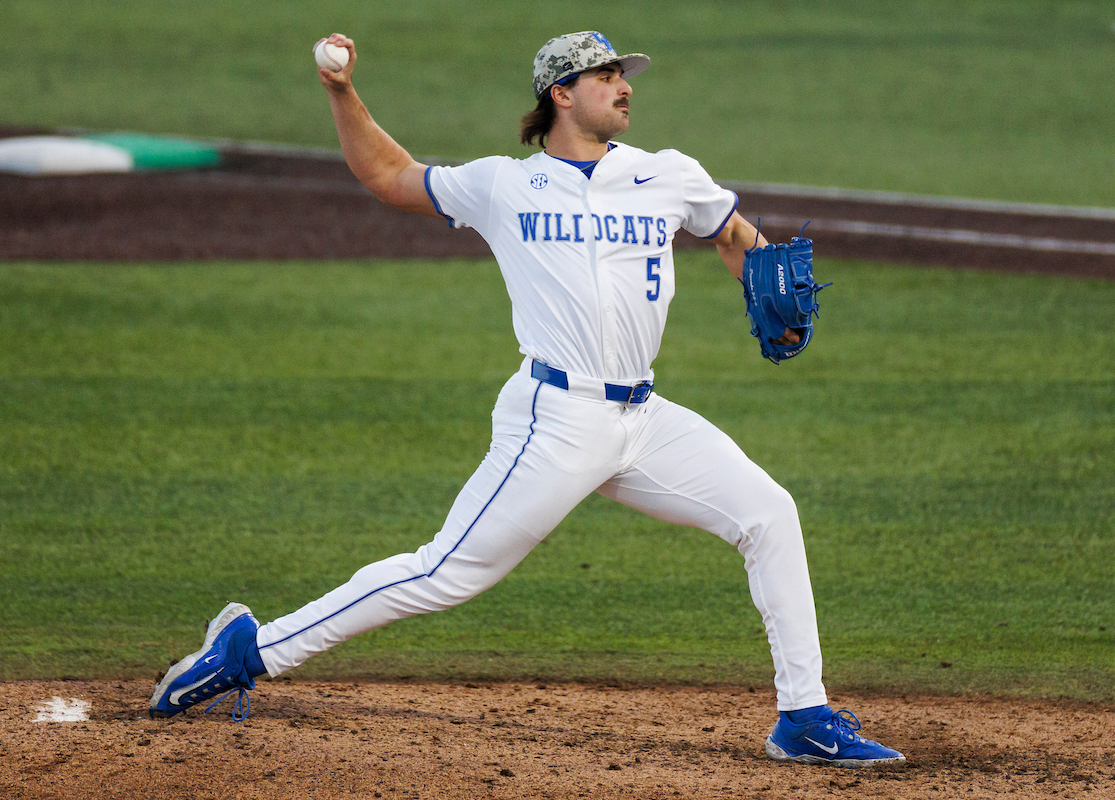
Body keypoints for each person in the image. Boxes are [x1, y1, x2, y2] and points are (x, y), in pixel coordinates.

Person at [150, 30, 905, 768]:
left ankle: (804, 718)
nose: (625, 86)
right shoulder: (504, 184)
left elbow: (731, 231)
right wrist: (342, 92)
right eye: (606, 75)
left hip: (643, 419)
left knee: (768, 512)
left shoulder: (668, 173)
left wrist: (764, 274)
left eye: (624, 74)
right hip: (556, 419)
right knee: (445, 573)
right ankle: (250, 651)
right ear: (561, 94)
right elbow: (389, 175)